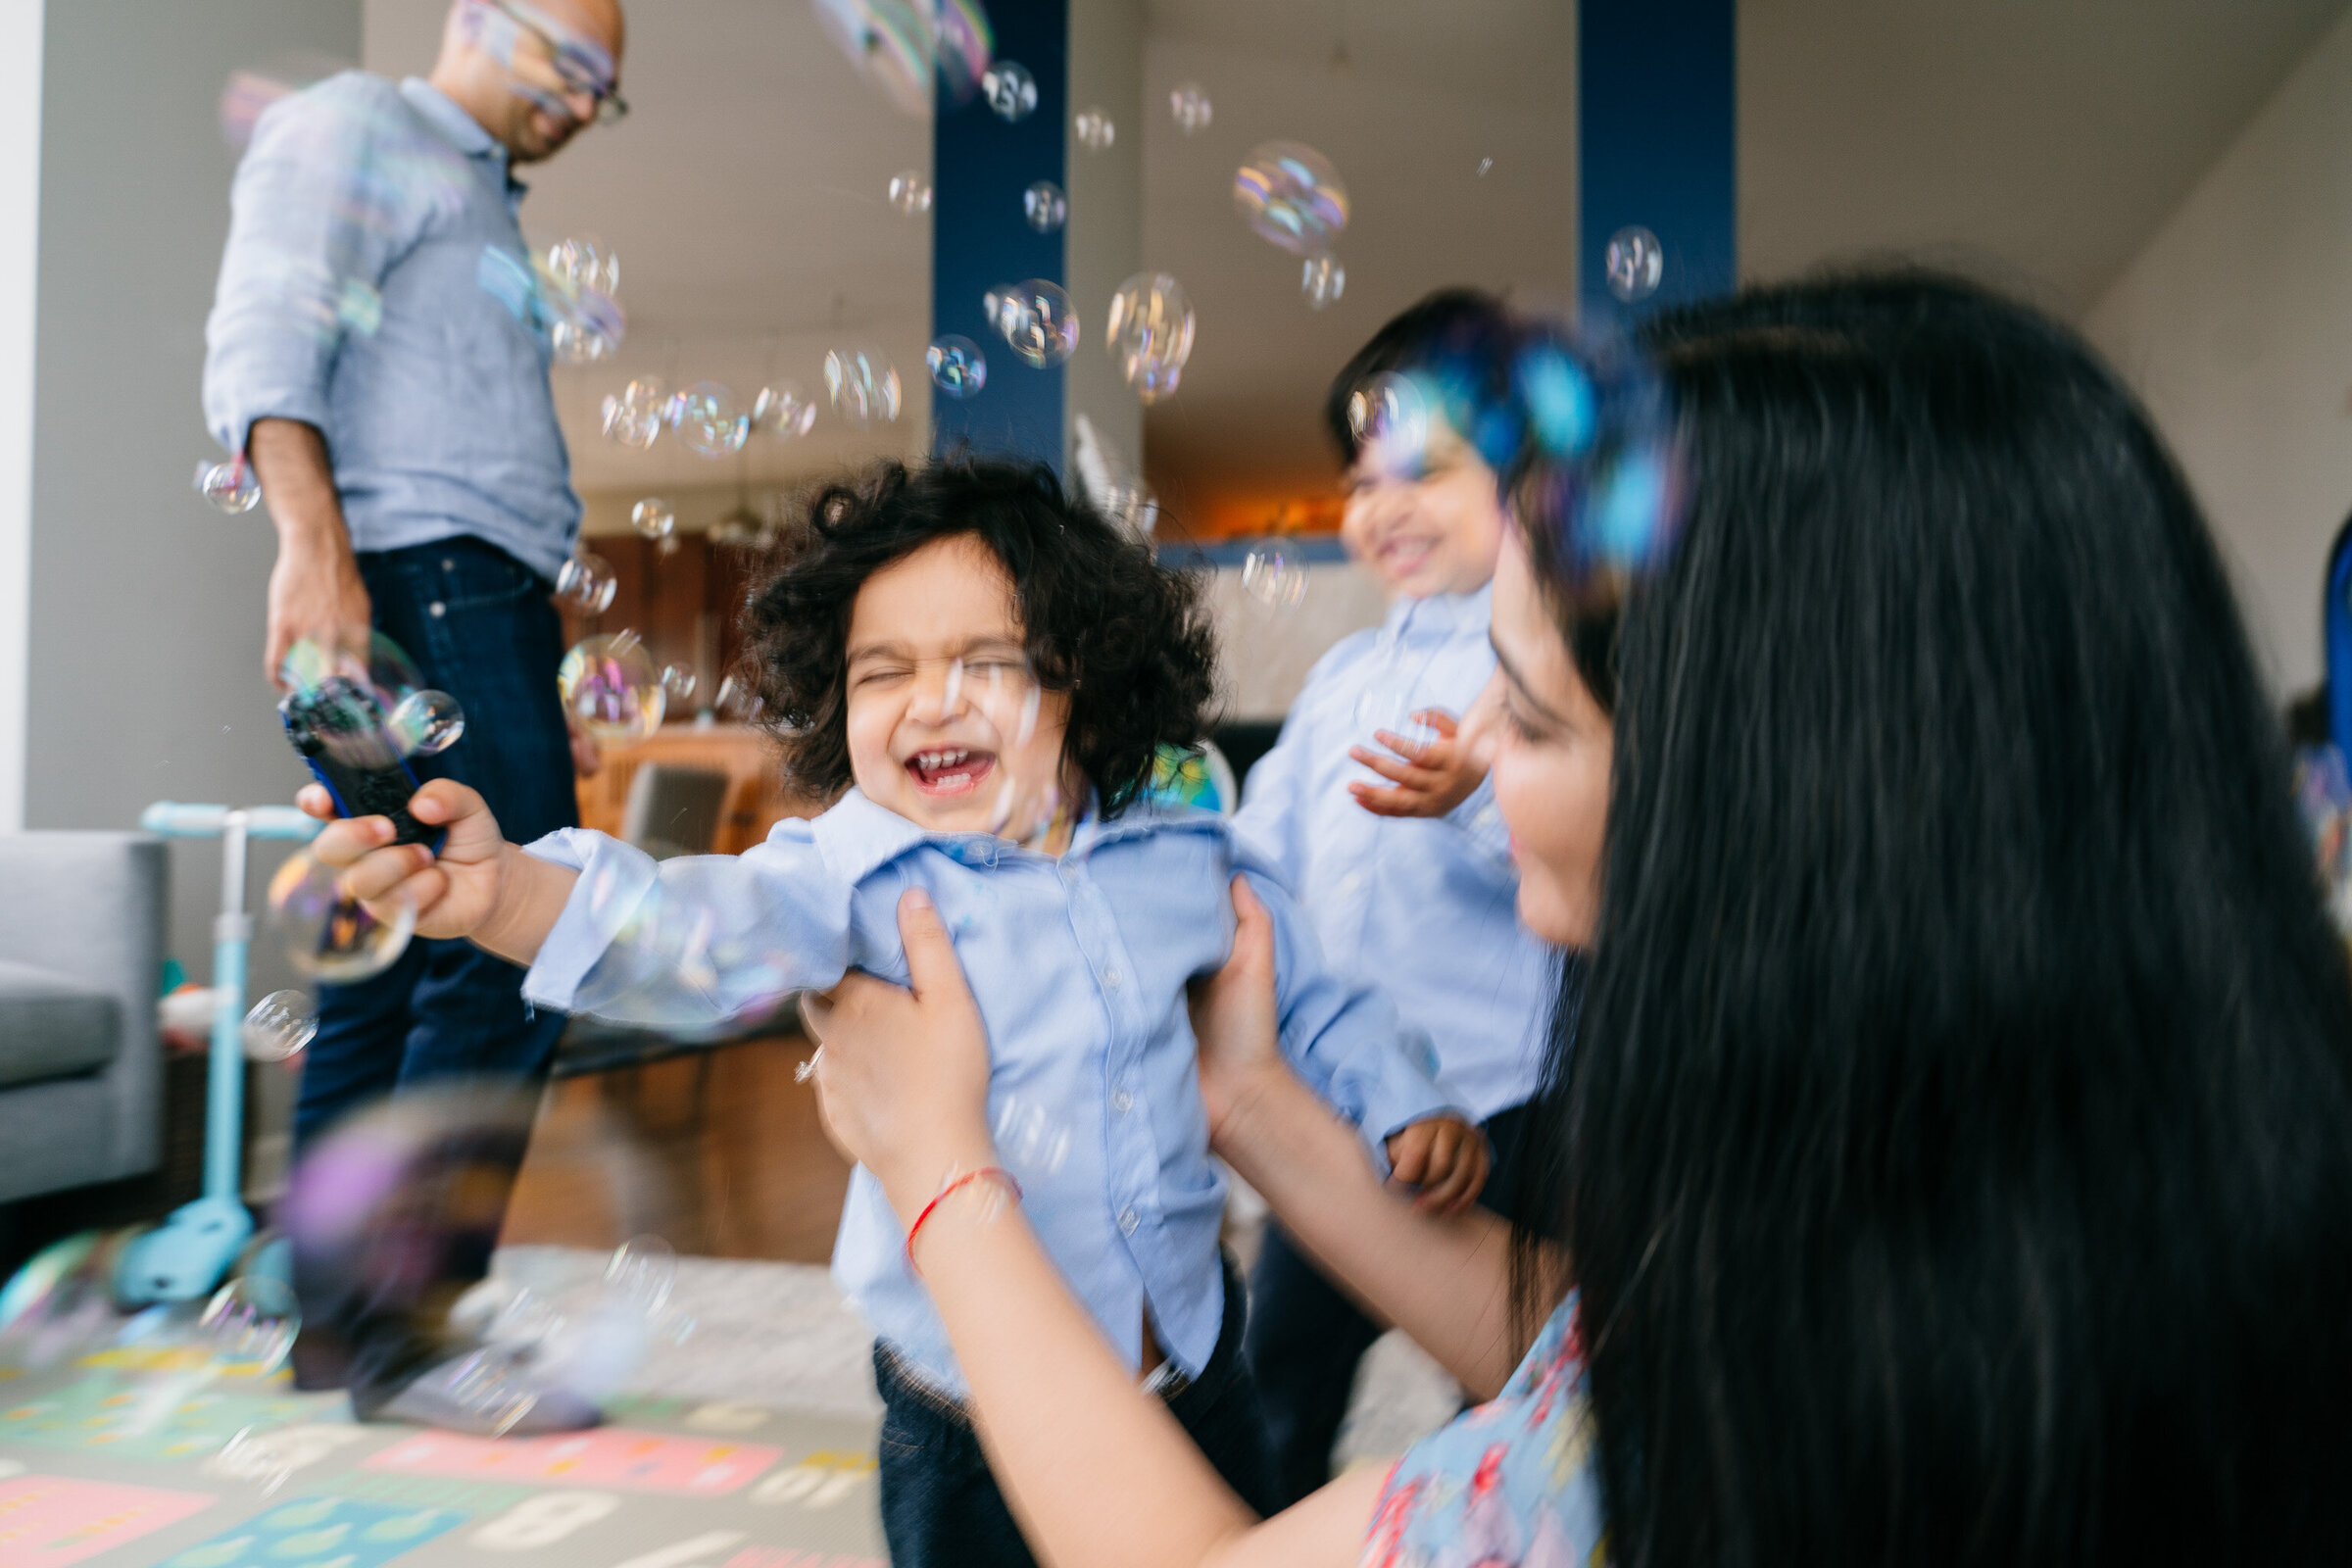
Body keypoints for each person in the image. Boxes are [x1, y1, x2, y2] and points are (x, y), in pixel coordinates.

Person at [798, 274, 2352, 1567]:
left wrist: (943, 1180)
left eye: (1527, 719)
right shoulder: (2043, 1203)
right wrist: (1254, 1102)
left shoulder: (1825, 1413)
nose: (1473, 740)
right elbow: (1603, 1366)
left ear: (1761, 793)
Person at [302, 458, 1489, 1568]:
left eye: (985, 662)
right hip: (965, 1402)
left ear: (1085, 679)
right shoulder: (848, 874)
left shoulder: (1186, 847)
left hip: (1191, 1354)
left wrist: (1405, 1098)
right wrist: (506, 891)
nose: (930, 702)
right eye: (884, 672)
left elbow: (1318, 995)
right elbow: (687, 930)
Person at [200, 0, 626, 1420]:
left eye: (601, 90)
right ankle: (409, 1335)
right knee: (513, 932)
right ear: (471, 18)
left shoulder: (478, 201)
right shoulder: (362, 125)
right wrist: (311, 552)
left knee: (389, 948)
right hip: (422, 581)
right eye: (567, 61)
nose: (579, 100)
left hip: (442, 585)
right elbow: (267, 316)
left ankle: (347, 1333)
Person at [1230, 288, 1560, 1503]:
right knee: (1280, 1372)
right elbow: (1265, 842)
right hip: (1350, 1101)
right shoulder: (1341, 675)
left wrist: (1479, 791)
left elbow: (1584, 863)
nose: (1385, 509)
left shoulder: (1543, 649)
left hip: (1511, 1103)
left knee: (1517, 1378)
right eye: (1364, 483)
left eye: (1426, 472)